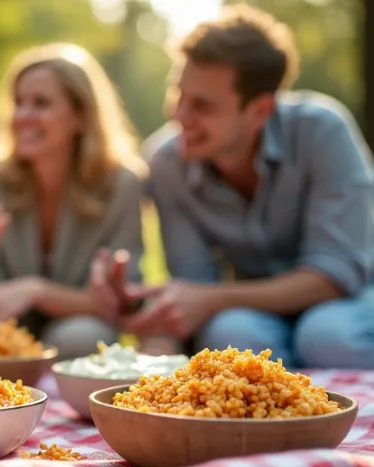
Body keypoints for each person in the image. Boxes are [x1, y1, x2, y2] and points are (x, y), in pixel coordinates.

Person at [120, 4, 374, 369]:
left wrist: (209, 299)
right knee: (232, 335)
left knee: (327, 336)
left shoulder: (323, 131)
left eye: (202, 106)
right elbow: (194, 284)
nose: (179, 115)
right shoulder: (167, 162)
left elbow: (335, 275)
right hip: (249, 309)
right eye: (178, 94)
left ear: (259, 111)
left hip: (351, 300)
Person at [0, 43, 151, 360]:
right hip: (5, 329)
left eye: (40, 103)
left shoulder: (122, 183)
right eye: (18, 102)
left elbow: (115, 303)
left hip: (81, 328)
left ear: (81, 116)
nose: (22, 116)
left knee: (80, 338)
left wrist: (37, 291)